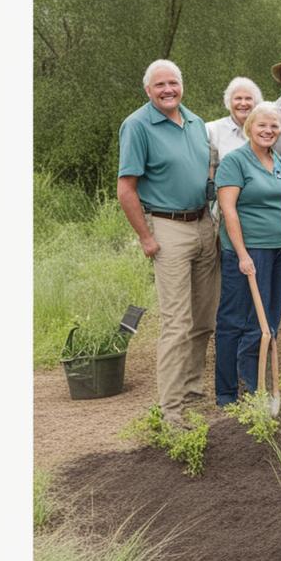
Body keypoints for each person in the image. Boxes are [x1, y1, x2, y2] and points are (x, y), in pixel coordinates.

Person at [117, 59, 219, 422]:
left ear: (182, 86)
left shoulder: (194, 122)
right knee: (177, 322)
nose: (167, 90)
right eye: (159, 85)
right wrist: (146, 236)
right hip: (168, 227)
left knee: (205, 318)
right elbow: (126, 188)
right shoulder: (137, 125)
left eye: (173, 83)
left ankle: (192, 392)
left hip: (204, 223)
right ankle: (171, 409)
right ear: (148, 90)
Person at [214, 103, 281, 405]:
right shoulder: (235, 162)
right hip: (250, 251)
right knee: (237, 319)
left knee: (269, 320)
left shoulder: (276, 159)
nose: (268, 131)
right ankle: (228, 392)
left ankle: (255, 384)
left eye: (274, 126)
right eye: (262, 125)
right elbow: (228, 210)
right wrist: (242, 253)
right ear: (250, 127)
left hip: (279, 249)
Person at [206, 77, 263, 172]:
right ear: (229, 102)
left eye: (248, 98)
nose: (243, 103)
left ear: (256, 103)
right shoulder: (212, 130)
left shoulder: (265, 130)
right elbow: (208, 170)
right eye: (238, 98)